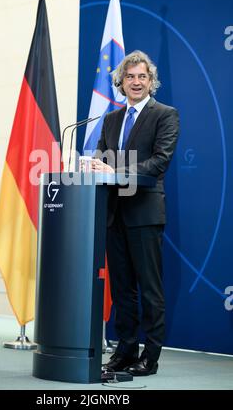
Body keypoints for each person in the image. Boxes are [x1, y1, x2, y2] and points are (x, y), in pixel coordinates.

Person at [91, 50, 179, 376]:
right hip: (114, 214)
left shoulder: (165, 115)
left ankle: (149, 357)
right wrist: (91, 165)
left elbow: (159, 162)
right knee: (124, 291)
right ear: (121, 82)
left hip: (145, 214)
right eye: (130, 77)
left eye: (142, 76)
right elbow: (100, 157)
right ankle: (124, 352)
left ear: (151, 81)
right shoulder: (111, 119)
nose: (136, 82)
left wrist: (111, 167)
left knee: (150, 290)